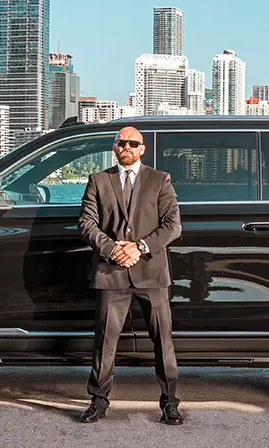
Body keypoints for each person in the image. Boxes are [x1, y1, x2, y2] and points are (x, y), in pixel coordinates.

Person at [76, 126, 183, 425]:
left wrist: (140, 248)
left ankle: (170, 403)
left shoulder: (160, 180)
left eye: (132, 143)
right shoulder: (98, 181)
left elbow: (173, 225)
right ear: (114, 148)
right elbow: (86, 224)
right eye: (121, 143)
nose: (126, 147)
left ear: (142, 148)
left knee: (163, 342)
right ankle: (98, 401)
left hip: (151, 274)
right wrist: (112, 249)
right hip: (111, 274)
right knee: (105, 342)